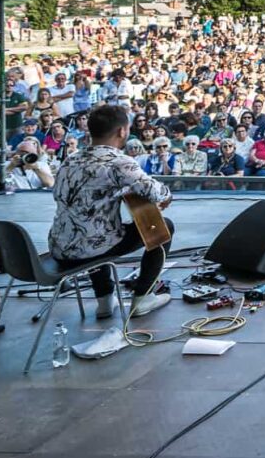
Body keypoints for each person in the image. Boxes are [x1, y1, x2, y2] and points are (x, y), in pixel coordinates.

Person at [48, 104, 174, 321]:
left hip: (60, 247)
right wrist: (165, 195)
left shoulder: (72, 159)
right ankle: (143, 296)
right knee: (163, 226)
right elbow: (158, 193)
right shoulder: (119, 161)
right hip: (89, 249)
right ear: (122, 131)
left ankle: (105, 302)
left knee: (96, 227)